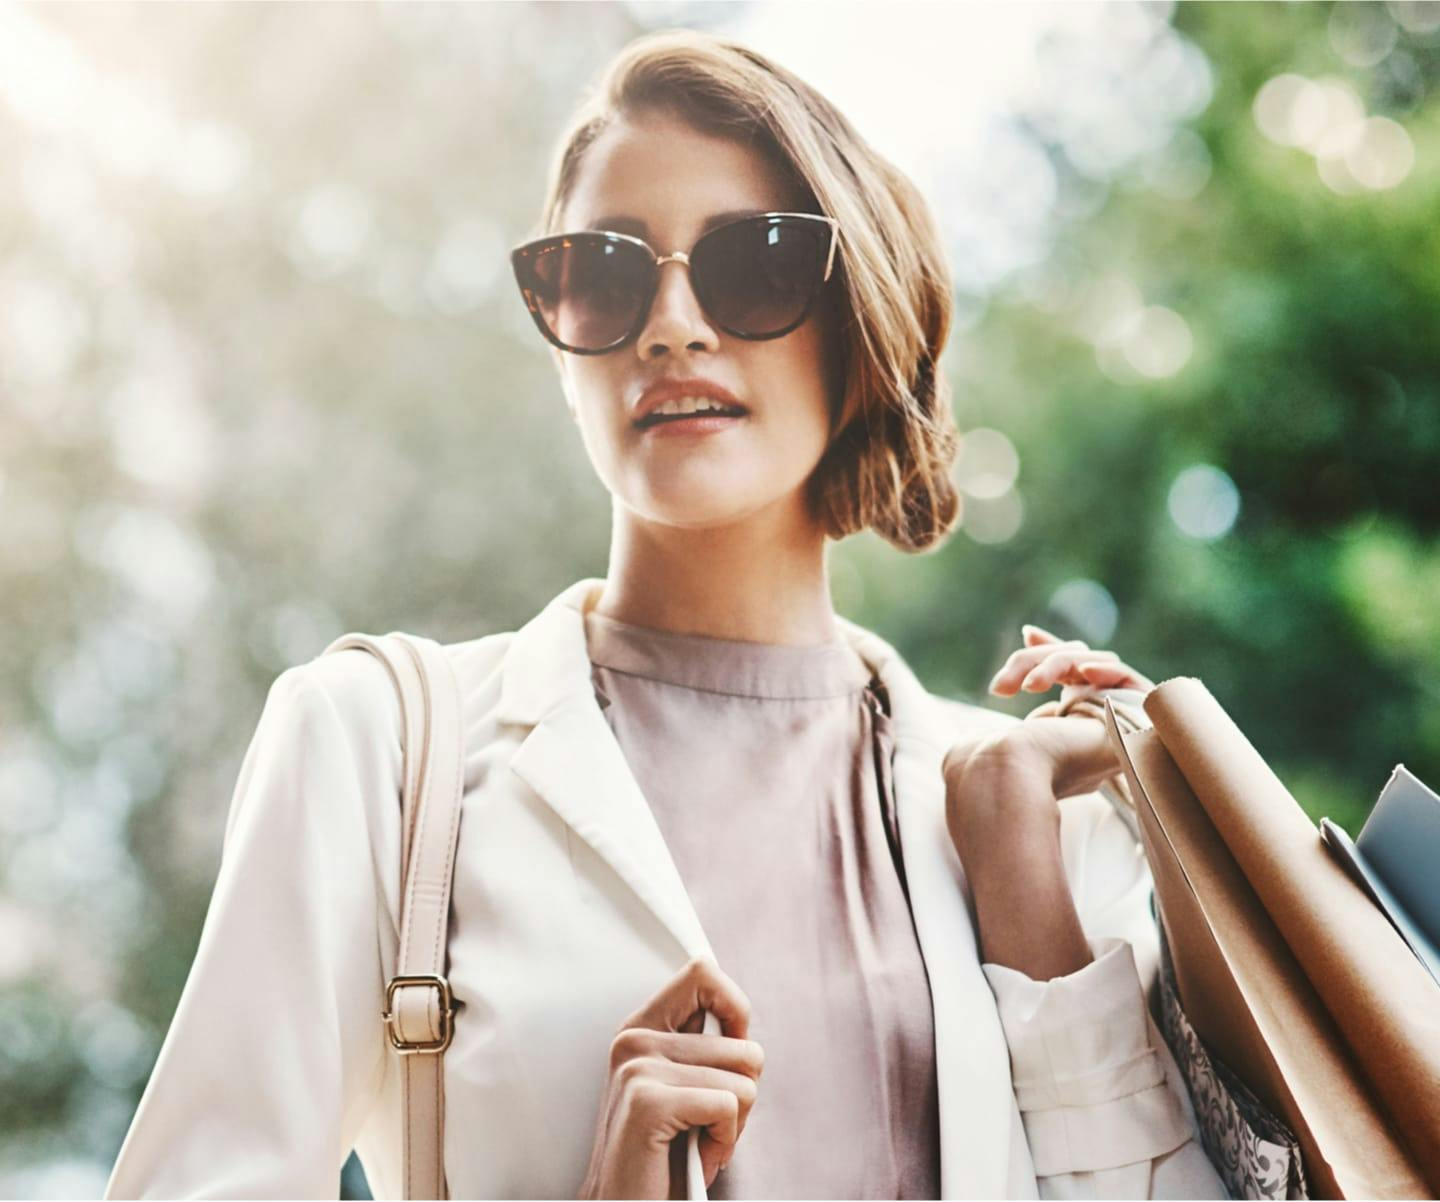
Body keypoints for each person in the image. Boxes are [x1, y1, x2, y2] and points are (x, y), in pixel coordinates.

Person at [104, 27, 1227, 1202]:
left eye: (757, 264)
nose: (672, 324)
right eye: (605, 270)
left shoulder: (1027, 806)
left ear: (862, 328)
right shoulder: (375, 746)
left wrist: (1019, 870)